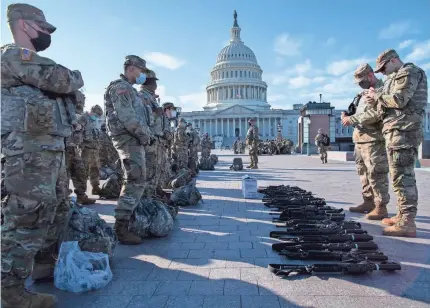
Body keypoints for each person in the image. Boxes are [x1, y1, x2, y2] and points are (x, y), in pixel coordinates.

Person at [1, 3, 84, 307]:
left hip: (49, 149)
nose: (47, 34)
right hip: (27, 152)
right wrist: (73, 79)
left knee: (54, 210)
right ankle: (9, 291)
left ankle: (42, 266)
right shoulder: (13, 55)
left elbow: (71, 96)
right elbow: (64, 80)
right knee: (26, 217)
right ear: (24, 25)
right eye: (44, 28)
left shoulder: (30, 64)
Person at [342, 49, 427, 237]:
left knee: (402, 177)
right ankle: (402, 216)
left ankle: (407, 222)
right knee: (399, 176)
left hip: (403, 131)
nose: (382, 72)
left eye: (383, 68)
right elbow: (384, 106)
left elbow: (399, 100)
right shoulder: (395, 77)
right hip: (397, 131)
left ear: (394, 60)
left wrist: (376, 97)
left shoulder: (408, 72)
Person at [104, 55, 154, 244]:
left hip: (133, 137)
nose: (143, 75)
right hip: (128, 138)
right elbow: (127, 117)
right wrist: (144, 135)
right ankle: (121, 227)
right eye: (142, 71)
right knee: (135, 178)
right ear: (132, 68)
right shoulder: (121, 87)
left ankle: (128, 220)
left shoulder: (130, 90)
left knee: (138, 178)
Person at [343, 64, 390, 220]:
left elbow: (376, 113)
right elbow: (360, 112)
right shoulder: (362, 94)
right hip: (360, 139)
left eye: (361, 81)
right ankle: (368, 202)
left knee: (376, 173)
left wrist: (352, 119)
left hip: (374, 139)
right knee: (363, 173)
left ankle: (381, 207)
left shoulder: (383, 89)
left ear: (370, 75)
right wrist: (349, 115)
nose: (360, 85)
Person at [66, 91, 96, 205]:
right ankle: (64, 199)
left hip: (74, 148)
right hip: (64, 147)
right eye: (81, 99)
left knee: (80, 172)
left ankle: (81, 196)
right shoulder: (67, 110)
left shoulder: (79, 114)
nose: (82, 102)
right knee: (64, 175)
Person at [80, 104, 103, 195]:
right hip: (85, 148)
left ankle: (95, 187)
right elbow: (78, 132)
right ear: (92, 111)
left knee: (95, 168)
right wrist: (81, 145)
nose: (97, 117)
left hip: (94, 148)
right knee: (83, 170)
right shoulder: (83, 118)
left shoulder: (95, 121)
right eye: (96, 114)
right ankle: (81, 191)